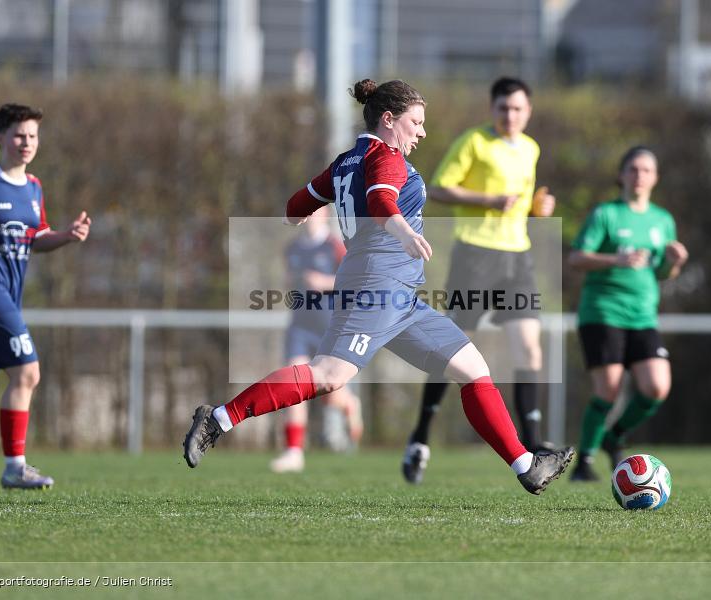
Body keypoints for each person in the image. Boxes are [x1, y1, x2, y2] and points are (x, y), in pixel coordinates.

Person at [184, 79, 574, 495]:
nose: (422, 132)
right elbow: (381, 201)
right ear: (389, 119)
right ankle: (219, 418)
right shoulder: (385, 157)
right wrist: (403, 232)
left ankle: (527, 465)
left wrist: (296, 217)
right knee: (329, 374)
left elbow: (297, 205)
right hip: (377, 285)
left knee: (473, 369)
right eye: (416, 123)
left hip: (400, 296)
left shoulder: (346, 160)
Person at [402, 76, 558, 484]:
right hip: (475, 257)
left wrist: (537, 210)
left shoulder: (531, 148)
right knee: (452, 353)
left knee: (530, 348)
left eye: (518, 108)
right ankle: (420, 437)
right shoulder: (473, 142)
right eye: (503, 108)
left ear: (528, 112)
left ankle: (534, 443)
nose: (510, 115)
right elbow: (438, 188)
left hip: (517, 260)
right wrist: (488, 200)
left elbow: (520, 208)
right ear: (492, 109)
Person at [0, 103, 91, 489]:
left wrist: (66, 236)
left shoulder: (33, 188)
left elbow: (36, 239)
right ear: (0, 137)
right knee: (28, 372)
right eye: (19, 135)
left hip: (7, 298)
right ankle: (15, 467)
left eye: (32, 136)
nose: (26, 142)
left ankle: (14, 466)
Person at [566, 146, 688, 482]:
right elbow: (576, 258)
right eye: (633, 169)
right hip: (603, 311)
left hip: (643, 315)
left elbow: (661, 273)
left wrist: (674, 263)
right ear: (621, 175)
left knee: (657, 387)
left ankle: (614, 435)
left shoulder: (662, 220)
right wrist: (615, 260)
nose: (639, 176)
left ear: (655, 177)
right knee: (608, 389)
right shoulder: (606, 214)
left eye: (646, 170)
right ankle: (584, 463)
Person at [270, 207, 363, 473]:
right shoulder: (292, 248)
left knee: (330, 396)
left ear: (325, 215)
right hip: (299, 326)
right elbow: (290, 282)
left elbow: (353, 282)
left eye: (314, 212)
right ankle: (293, 452)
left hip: (328, 327)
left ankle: (349, 403)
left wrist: (325, 282)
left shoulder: (335, 246)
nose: (309, 216)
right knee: (293, 384)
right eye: (306, 212)